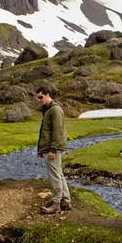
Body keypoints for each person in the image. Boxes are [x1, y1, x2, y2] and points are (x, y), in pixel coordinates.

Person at [36, 85, 71, 214]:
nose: (39, 100)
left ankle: (56, 203)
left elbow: (57, 131)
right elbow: (45, 131)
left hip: (53, 148)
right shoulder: (47, 110)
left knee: (54, 176)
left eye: (41, 97)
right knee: (59, 174)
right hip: (49, 147)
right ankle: (65, 201)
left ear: (47, 95)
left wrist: (52, 150)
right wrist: (41, 149)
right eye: (38, 98)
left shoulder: (55, 110)